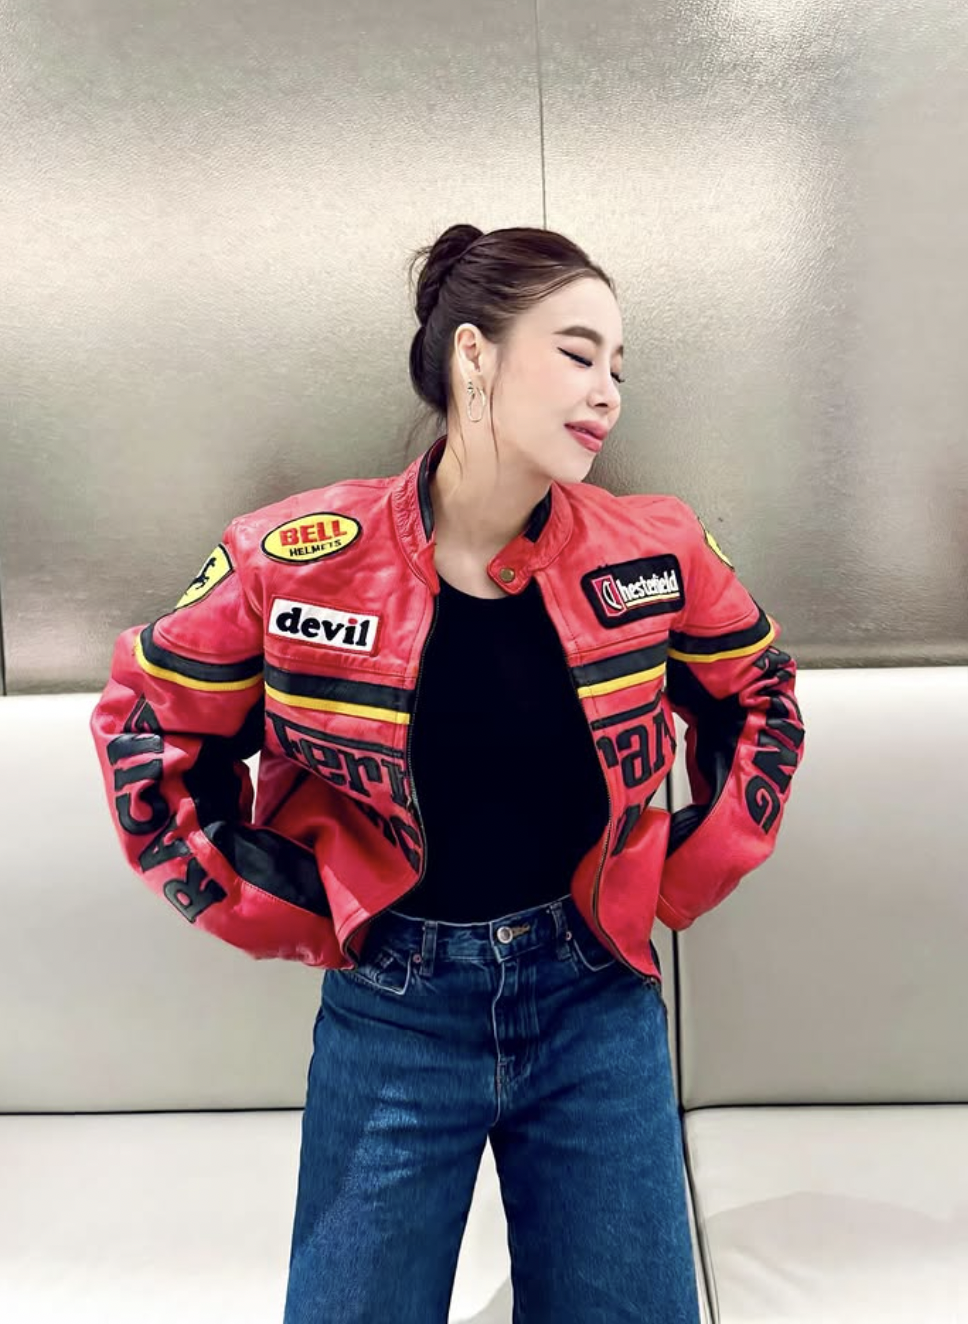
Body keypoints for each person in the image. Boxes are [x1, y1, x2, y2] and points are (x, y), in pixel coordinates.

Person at [90, 223, 806, 1323]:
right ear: (474, 354)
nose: (607, 393)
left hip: (594, 1001)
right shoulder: (294, 559)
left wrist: (670, 881)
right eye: (577, 353)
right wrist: (295, 906)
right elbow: (148, 730)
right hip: (394, 1013)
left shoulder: (652, 551)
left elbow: (759, 699)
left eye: (618, 368)